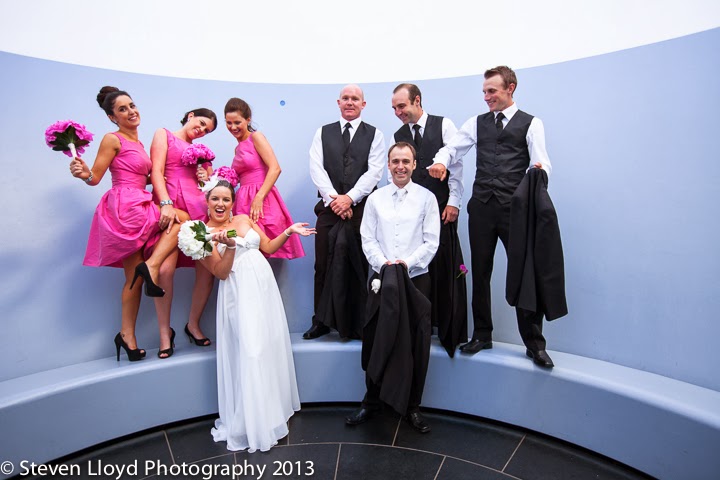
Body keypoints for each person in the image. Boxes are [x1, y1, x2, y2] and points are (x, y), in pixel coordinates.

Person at [428, 66, 555, 368]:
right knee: (480, 271)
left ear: (510, 88)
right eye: (484, 91)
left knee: (524, 273)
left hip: (516, 211)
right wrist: (440, 162)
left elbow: (542, 163)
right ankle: (482, 334)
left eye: (492, 91)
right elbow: (452, 149)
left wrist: (538, 174)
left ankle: (534, 344)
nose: (486, 97)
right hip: (482, 208)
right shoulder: (476, 122)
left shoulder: (531, 123)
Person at [69, 86, 190, 361]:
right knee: (181, 218)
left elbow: (138, 174)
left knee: (133, 277)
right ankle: (152, 266)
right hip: (126, 206)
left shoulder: (138, 144)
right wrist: (83, 173)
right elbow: (95, 177)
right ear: (113, 117)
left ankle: (127, 336)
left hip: (138, 201)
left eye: (132, 105)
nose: (131, 112)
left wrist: (164, 176)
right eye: (122, 109)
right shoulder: (112, 139)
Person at [196, 179, 315, 452]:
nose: (221, 204)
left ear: (232, 202)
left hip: (263, 287)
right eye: (215, 199)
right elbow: (221, 273)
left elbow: (269, 247)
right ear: (207, 201)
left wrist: (289, 231)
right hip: (237, 293)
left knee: (267, 345)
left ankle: (271, 414)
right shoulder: (201, 234)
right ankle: (252, 423)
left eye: (226, 199)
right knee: (251, 351)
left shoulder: (243, 219)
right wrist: (229, 247)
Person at [346, 142, 440, 433]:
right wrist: (386, 265)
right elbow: (368, 239)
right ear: (388, 164)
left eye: (406, 161)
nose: (400, 166)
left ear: (414, 165)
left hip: (416, 280)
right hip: (382, 278)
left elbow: (431, 241)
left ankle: (412, 407)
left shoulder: (427, 198)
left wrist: (404, 265)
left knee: (416, 345)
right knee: (376, 339)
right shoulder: (376, 199)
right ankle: (371, 402)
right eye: (395, 161)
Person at [391, 83, 467, 357]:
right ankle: (418, 330)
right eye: (394, 108)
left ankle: (449, 334)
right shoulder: (398, 135)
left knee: (446, 270)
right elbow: (399, 176)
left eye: (402, 106)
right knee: (419, 272)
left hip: (443, 209)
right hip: (413, 216)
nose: (398, 113)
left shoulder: (443, 125)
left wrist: (454, 201)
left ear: (417, 100)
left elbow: (456, 165)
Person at [304, 84, 385, 339]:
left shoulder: (375, 135)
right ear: (338, 103)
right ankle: (321, 321)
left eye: (355, 99)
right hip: (329, 209)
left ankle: (358, 323)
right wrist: (335, 200)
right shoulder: (322, 132)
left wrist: (349, 198)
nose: (350, 102)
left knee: (357, 264)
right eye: (346, 98)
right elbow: (316, 168)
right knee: (322, 265)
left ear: (363, 104)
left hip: (361, 211)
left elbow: (375, 172)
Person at [150, 108, 218, 355]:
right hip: (171, 205)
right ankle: (164, 332)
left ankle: (193, 324)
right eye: (201, 123)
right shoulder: (164, 134)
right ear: (190, 115)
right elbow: (156, 171)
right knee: (165, 270)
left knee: (207, 270)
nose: (201, 130)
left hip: (197, 207)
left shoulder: (201, 152)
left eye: (206, 130)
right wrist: (165, 204)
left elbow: (208, 184)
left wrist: (204, 177)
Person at [225, 98, 304, 259]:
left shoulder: (256, 137)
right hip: (243, 200)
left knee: (265, 244)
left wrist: (258, 198)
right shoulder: (237, 148)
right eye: (229, 123)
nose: (233, 127)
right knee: (245, 247)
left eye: (237, 122)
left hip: (261, 197)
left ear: (248, 120)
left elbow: (275, 168)